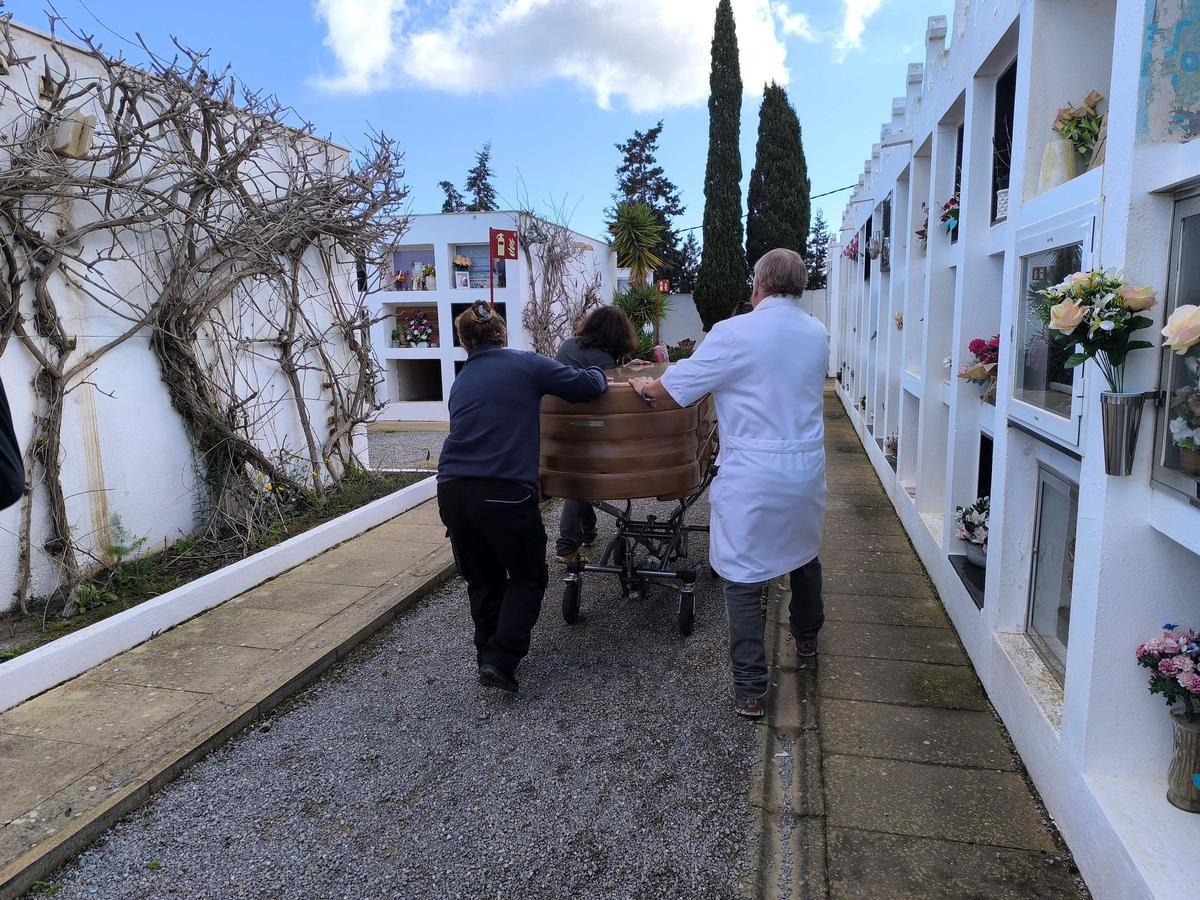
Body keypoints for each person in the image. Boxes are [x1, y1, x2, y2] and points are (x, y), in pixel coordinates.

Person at [629, 248, 828, 719]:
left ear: (756, 286)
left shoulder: (734, 333)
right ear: (799, 286)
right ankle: (807, 642)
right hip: (805, 468)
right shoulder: (817, 332)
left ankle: (752, 688)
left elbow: (679, 386)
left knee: (742, 575)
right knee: (803, 554)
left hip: (754, 474)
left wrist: (645, 387)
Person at [437, 302, 608, 695]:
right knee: (528, 575)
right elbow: (587, 387)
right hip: (504, 492)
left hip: (453, 491)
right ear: (503, 335)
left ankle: (488, 657)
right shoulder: (525, 364)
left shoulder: (462, 381)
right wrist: (602, 369)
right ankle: (502, 658)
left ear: (464, 343)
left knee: (482, 579)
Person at [553, 306, 639, 563]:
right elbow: (612, 399)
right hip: (583, 427)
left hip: (557, 423)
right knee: (581, 482)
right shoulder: (602, 359)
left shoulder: (570, 344)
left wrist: (623, 368)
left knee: (580, 477)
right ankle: (566, 546)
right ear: (617, 334)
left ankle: (588, 532)